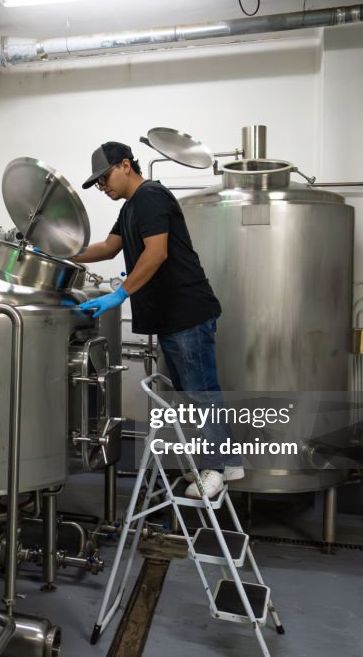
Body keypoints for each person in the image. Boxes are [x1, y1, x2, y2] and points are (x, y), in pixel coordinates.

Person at [72, 141, 243, 499]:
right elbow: (108, 247)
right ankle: (216, 463)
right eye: (98, 184)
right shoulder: (132, 206)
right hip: (171, 318)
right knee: (191, 395)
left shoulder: (150, 196)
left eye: (104, 179)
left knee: (201, 394)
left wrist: (121, 293)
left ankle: (222, 466)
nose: (103, 188)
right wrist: (62, 251)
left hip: (186, 313)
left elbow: (157, 252)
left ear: (124, 165)